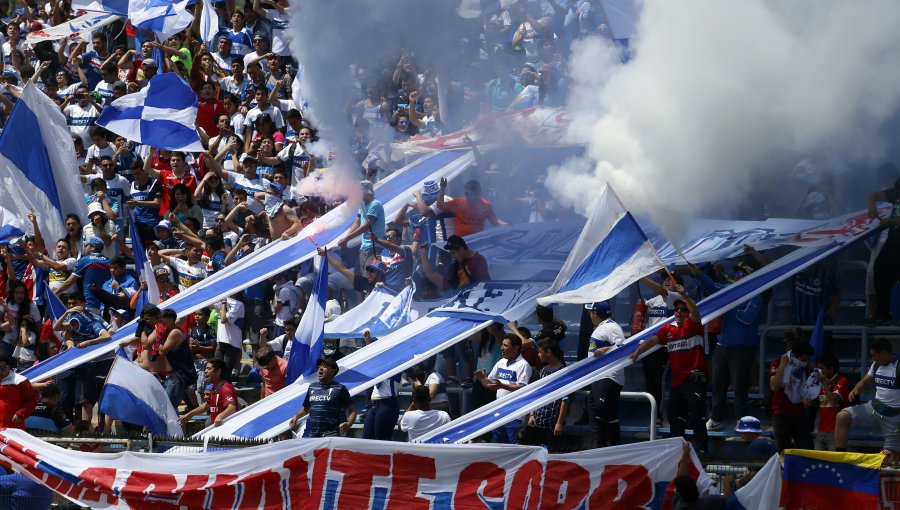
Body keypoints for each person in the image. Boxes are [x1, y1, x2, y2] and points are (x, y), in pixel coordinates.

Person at [630, 287, 709, 453]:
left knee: (696, 417)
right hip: (677, 382)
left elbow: (694, 310)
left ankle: (702, 452)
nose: (679, 312)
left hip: (693, 380)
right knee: (674, 417)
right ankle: (677, 452)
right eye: (676, 309)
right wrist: (638, 351)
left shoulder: (693, 324)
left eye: (682, 309)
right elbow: (653, 340)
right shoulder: (669, 328)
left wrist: (685, 296)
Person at [692, 262, 764, 432]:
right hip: (722, 345)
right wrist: (699, 274)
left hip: (742, 347)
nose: (738, 276)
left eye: (742, 273)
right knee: (718, 385)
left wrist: (728, 305)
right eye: (737, 273)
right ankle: (716, 418)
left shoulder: (755, 295)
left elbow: (747, 318)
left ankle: (742, 422)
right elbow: (711, 286)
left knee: (739, 387)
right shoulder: (728, 291)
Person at [836, 338, 900, 458]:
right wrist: (856, 389)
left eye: (874, 355)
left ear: (885, 354)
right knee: (842, 417)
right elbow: (865, 381)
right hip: (874, 408)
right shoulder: (876, 365)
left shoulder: (898, 366)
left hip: (894, 417)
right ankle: (840, 458)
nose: (872, 359)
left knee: (889, 457)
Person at [638, 273, 684, 426]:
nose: (666, 280)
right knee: (651, 382)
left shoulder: (676, 298)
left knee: (659, 382)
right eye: (665, 278)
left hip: (664, 347)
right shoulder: (653, 301)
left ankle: (659, 417)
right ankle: (653, 415)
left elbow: (662, 292)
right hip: (648, 346)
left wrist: (641, 277)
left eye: (670, 278)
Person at [475, 333, 532, 444]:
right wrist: (482, 379)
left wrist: (502, 386)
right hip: (499, 412)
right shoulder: (501, 362)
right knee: (499, 447)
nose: (501, 348)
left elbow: (522, 387)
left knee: (514, 447)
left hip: (514, 414)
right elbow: (491, 383)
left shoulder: (523, 365)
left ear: (515, 348)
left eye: (505, 345)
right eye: (502, 345)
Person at [586, 301, 625, 447]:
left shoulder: (611, 327)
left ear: (595, 313)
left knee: (604, 414)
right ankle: (600, 447)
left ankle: (612, 446)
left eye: (590, 312)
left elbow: (622, 346)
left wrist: (605, 350)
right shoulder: (601, 327)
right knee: (597, 415)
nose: (589, 315)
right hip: (598, 377)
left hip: (608, 377)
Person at [288, 357, 357, 438]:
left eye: (324, 366)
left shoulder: (340, 388)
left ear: (333, 370)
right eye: (319, 366)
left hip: (333, 435)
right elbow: (306, 408)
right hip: (314, 435)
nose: (320, 369)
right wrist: (296, 416)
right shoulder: (312, 387)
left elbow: (353, 411)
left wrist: (349, 423)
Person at [769, 339, 815, 451]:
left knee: (806, 448)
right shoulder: (777, 363)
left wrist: (812, 370)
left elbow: (809, 388)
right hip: (781, 413)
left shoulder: (806, 368)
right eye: (803, 359)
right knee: (783, 451)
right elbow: (774, 387)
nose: (805, 362)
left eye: (807, 360)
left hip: (799, 413)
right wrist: (782, 366)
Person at [866, 176, 900, 325]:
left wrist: (890, 221)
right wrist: (871, 206)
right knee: (880, 270)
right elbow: (872, 195)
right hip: (893, 242)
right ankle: (882, 313)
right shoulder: (896, 193)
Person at [337, 180, 386, 276]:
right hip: (365, 246)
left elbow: (366, 226)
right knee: (358, 277)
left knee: (369, 276)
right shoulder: (362, 204)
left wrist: (347, 239)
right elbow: (357, 222)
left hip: (374, 246)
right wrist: (346, 238)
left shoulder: (375, 204)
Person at [527, 340, 568, 449]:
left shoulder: (562, 372)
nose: (538, 355)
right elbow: (537, 394)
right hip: (539, 420)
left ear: (548, 352)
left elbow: (564, 399)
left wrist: (559, 423)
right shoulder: (543, 370)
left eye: (540, 352)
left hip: (552, 422)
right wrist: (532, 414)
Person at [179, 359, 239, 427]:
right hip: (217, 428)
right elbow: (206, 406)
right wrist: (190, 414)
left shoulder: (226, 388)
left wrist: (221, 416)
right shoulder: (213, 388)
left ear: (218, 371)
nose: (205, 371)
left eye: (209, 369)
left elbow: (232, 407)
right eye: (205, 369)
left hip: (226, 428)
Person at [437, 179, 504, 238]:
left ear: (477, 193)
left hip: (478, 240)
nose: (467, 197)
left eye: (470, 194)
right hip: (460, 242)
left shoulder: (486, 205)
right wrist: (442, 188)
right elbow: (440, 206)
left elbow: (496, 224)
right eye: (466, 193)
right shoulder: (458, 202)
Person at [812, 354, 849, 451]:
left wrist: (824, 384)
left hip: (835, 432)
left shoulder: (841, 381)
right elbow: (819, 405)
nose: (819, 373)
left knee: (833, 463)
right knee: (819, 463)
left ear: (831, 369)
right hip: (820, 431)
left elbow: (833, 400)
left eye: (821, 369)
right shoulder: (819, 384)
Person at [0, 354, 34, 429]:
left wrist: (20, 414)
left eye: (1, 368)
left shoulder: (20, 381)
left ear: (8, 367)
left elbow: (31, 401)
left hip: (13, 427)